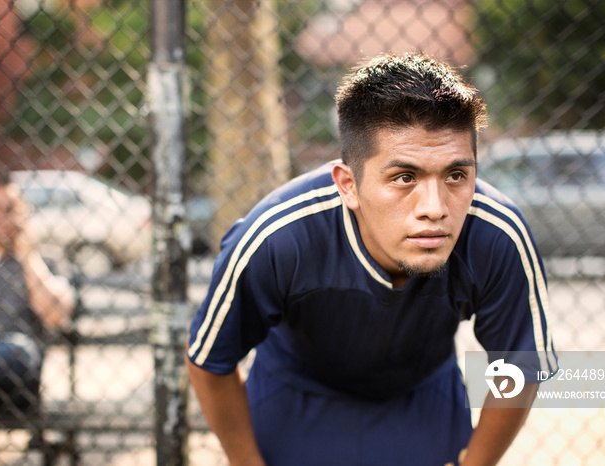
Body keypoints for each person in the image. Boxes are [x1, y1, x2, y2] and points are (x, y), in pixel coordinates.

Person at [186, 53, 558, 466]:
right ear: (348, 185)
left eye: (456, 175)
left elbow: (521, 368)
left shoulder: (498, 235)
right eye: (404, 177)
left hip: (421, 392)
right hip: (297, 390)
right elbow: (209, 361)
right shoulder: (276, 238)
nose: (435, 208)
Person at [0, 175, 75, 418]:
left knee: (16, 349)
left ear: (25, 213)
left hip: (14, 380)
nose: (3, 218)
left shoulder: (46, 261)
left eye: (10, 209)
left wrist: (27, 255)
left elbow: (56, 316)